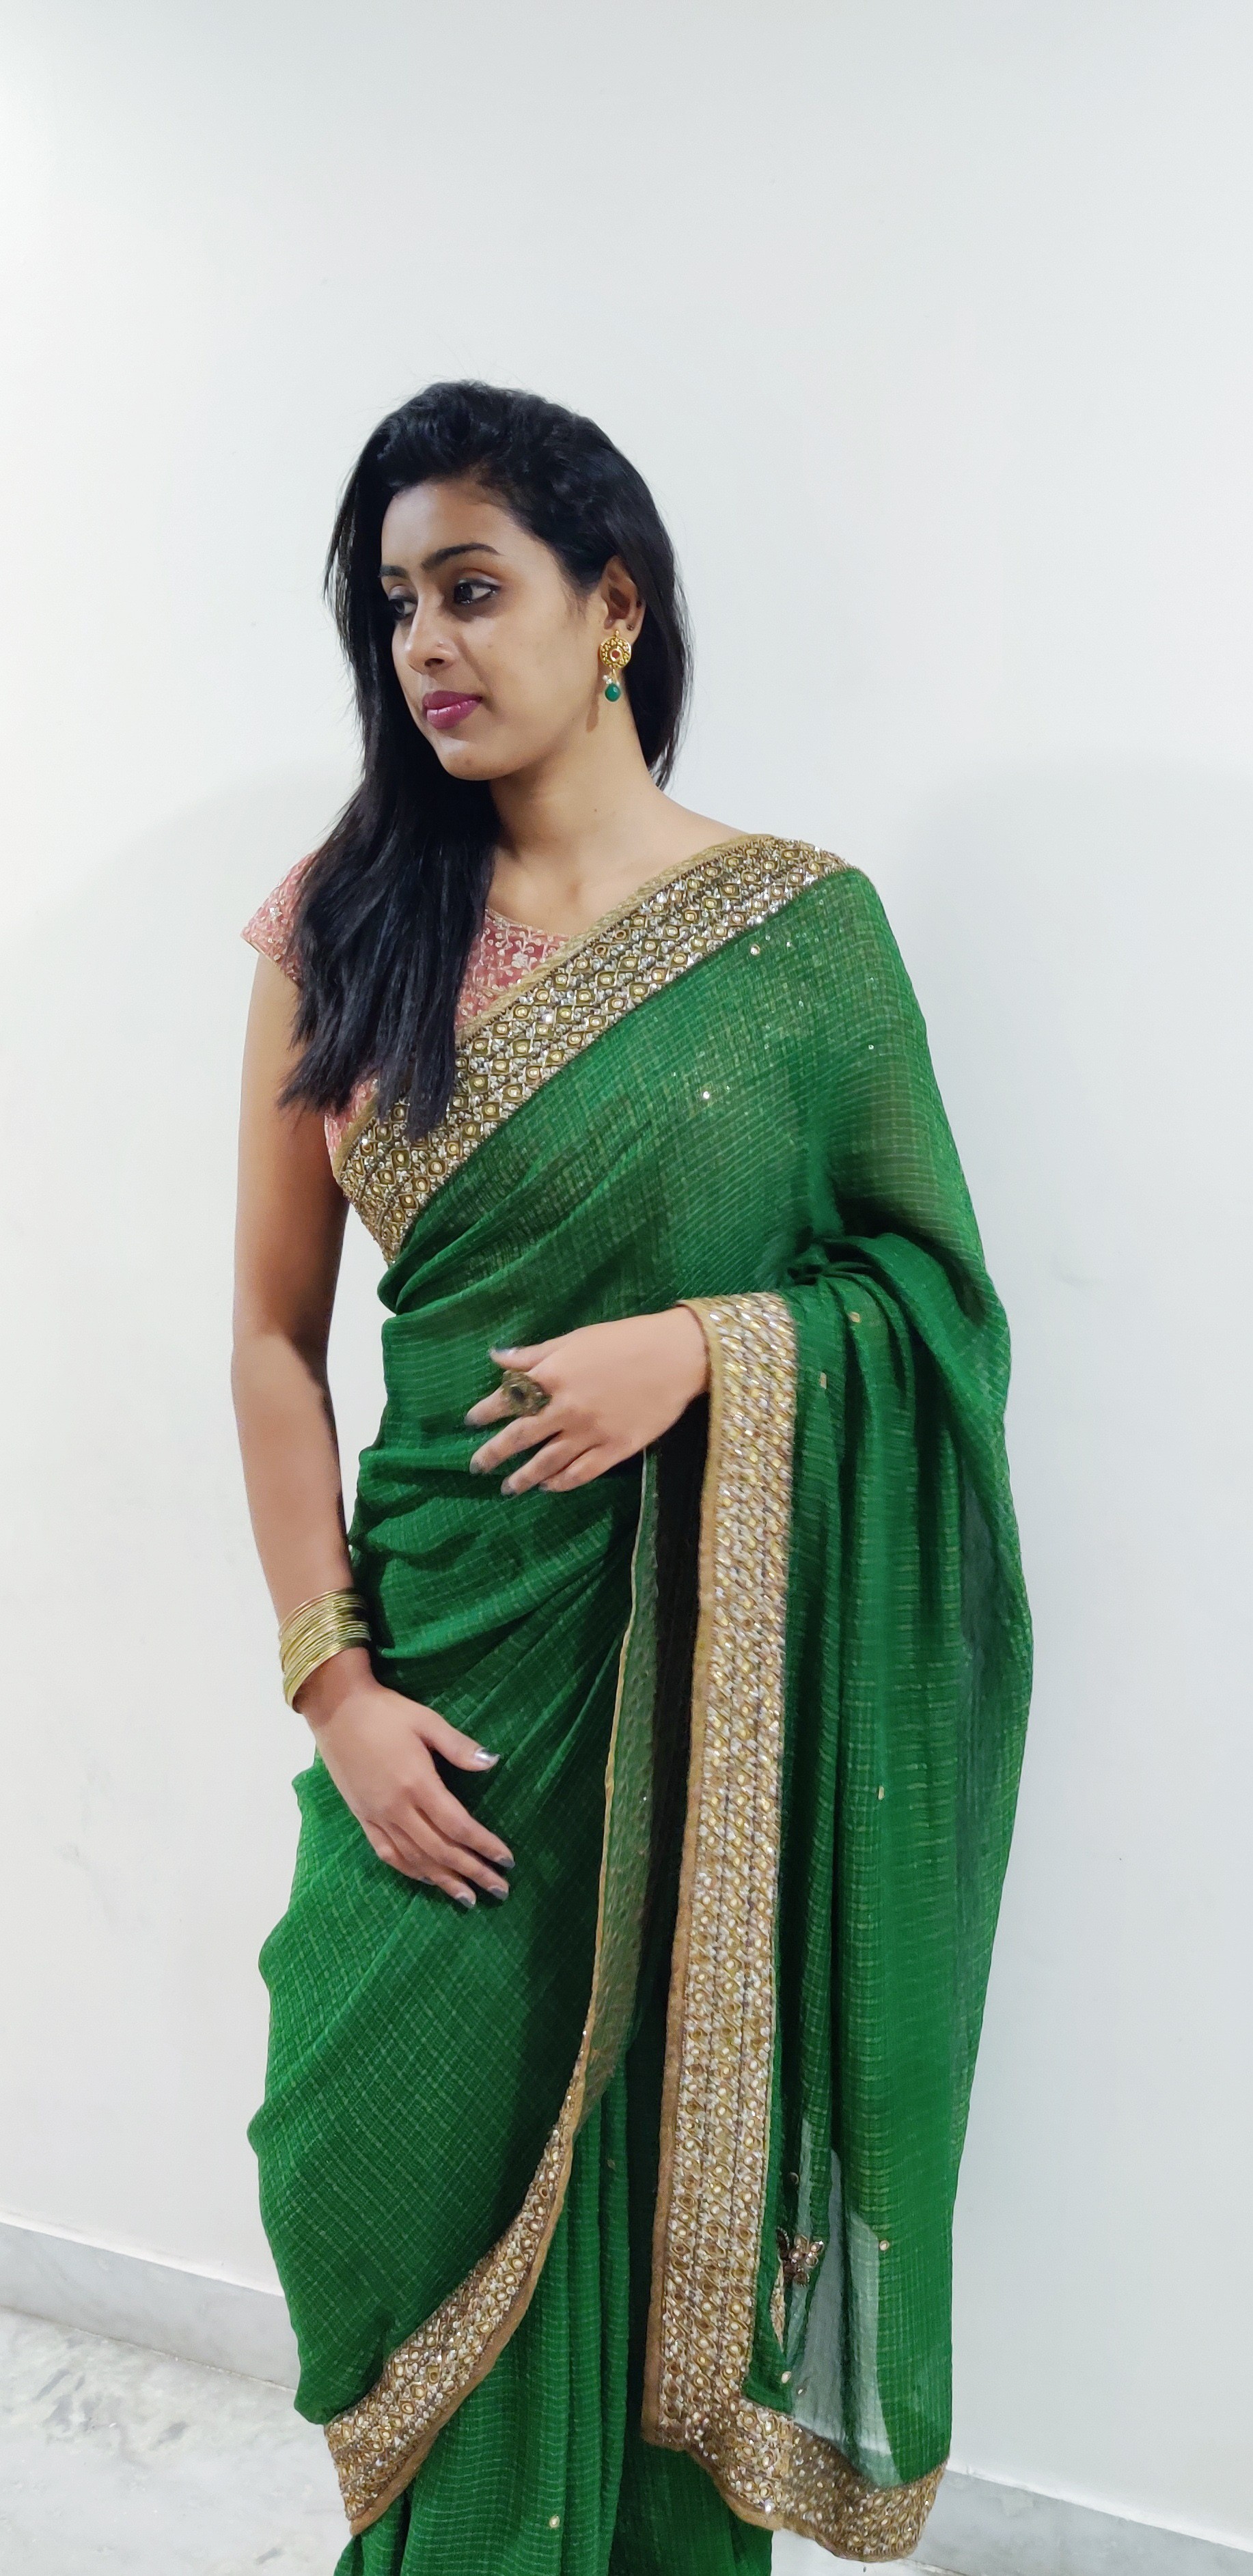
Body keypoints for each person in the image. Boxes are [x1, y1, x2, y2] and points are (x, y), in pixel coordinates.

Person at [232, 380, 1031, 2576]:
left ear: (614, 609)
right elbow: (271, 1341)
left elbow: (936, 1313)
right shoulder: (339, 926)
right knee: (365, 2165)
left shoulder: (799, 937)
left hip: (702, 1737)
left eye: (470, 588)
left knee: (668, 2190)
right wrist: (333, 1685)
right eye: (393, 605)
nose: (425, 643)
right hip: (439, 1688)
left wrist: (708, 1351)